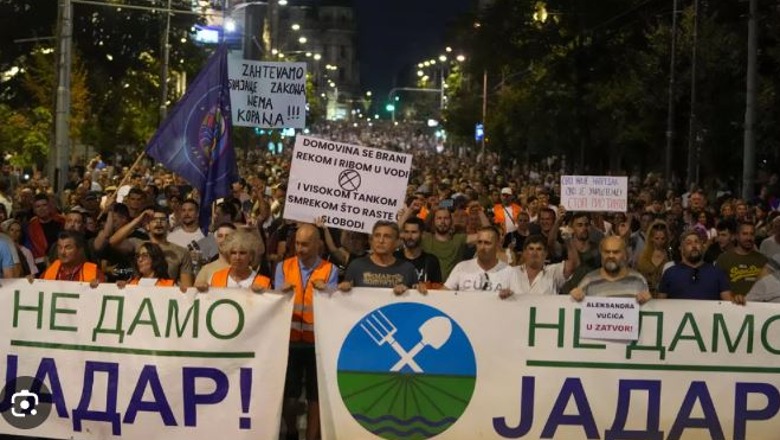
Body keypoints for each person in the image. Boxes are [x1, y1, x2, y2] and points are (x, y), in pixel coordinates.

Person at [275, 224, 339, 440]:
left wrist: (328, 291)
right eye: (297, 243)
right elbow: (274, 302)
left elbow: (334, 305)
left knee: (316, 396)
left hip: (317, 344)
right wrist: (279, 292)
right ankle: (291, 432)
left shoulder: (330, 271)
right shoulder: (283, 267)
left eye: (304, 244)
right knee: (290, 397)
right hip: (289, 342)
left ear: (317, 244)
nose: (299, 248)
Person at [109, 207, 194, 288]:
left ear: (168, 225)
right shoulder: (138, 245)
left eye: (163, 220)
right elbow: (113, 241)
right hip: (136, 295)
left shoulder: (181, 252)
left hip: (165, 297)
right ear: (147, 226)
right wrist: (138, 219)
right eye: (154, 220)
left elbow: (187, 288)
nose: (159, 222)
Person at [340, 221, 421, 294]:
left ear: (397, 242)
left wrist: (408, 292)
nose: (381, 241)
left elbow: (416, 300)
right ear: (371, 240)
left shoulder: (407, 269)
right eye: (377, 236)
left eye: (387, 236)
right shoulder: (356, 266)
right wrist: (343, 288)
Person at [658, 231, 736, 302]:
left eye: (697, 242)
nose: (694, 246)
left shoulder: (717, 272)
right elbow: (660, 305)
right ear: (681, 249)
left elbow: (729, 303)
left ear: (702, 246)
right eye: (689, 243)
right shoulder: (670, 273)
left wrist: (738, 300)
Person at [570, 236, 652, 304]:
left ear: (624, 255)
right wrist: (574, 297)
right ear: (601, 254)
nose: (611, 256)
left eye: (616, 252)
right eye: (607, 252)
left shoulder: (638, 280)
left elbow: (645, 313)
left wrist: (647, 301)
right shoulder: (589, 280)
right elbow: (575, 311)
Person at [443, 226, 519, 299]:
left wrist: (511, 296)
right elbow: (442, 295)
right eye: (479, 242)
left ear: (497, 245)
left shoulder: (509, 272)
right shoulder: (461, 267)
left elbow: (521, 301)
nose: (482, 247)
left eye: (487, 243)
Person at [197, 229, 270, 290]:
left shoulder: (263, 282)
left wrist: (260, 295)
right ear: (228, 255)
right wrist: (201, 290)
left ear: (251, 256)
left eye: (242, 253)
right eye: (233, 253)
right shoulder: (216, 277)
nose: (237, 257)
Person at [716, 221, 768, 298]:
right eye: (745, 234)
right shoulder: (723, 259)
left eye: (752, 234)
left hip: (758, 306)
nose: (749, 238)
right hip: (731, 306)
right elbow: (718, 287)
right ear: (737, 236)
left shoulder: (763, 259)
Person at [395, 217, 443, 289]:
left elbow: (438, 288)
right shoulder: (395, 257)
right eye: (406, 232)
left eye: (414, 232)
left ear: (423, 234)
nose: (409, 236)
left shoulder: (431, 260)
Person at [26, 193, 64, 272]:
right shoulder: (31, 227)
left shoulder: (62, 221)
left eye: (44, 205)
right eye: (38, 206)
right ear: (34, 210)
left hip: (62, 260)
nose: (41, 209)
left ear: (49, 206)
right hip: (40, 265)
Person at [636, 221, 672, 296]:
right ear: (651, 238)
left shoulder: (670, 256)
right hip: (645, 295)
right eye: (657, 238)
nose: (660, 241)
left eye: (663, 239)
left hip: (664, 297)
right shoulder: (642, 257)